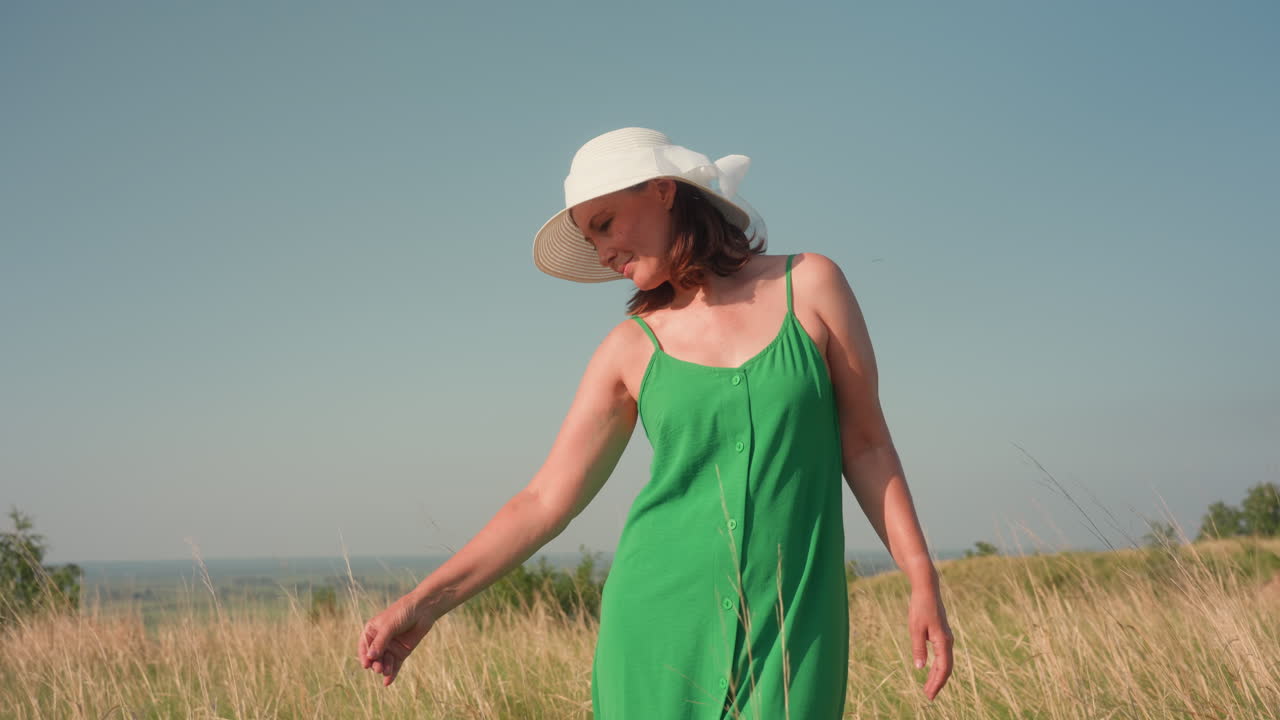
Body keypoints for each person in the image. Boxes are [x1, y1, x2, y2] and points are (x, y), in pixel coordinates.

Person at [357, 128, 953, 717]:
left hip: (794, 627)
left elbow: (867, 446)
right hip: (658, 629)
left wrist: (919, 573)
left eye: (605, 223)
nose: (602, 252)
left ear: (665, 192)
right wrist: (423, 604)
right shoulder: (629, 348)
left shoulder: (812, 284)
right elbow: (543, 501)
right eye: (591, 239)